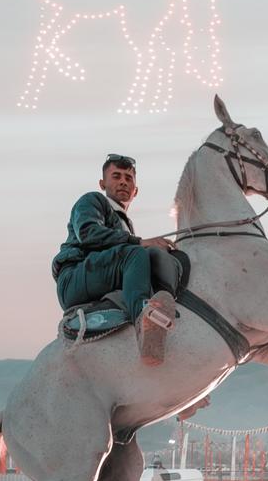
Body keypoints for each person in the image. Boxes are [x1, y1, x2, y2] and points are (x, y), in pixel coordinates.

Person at [51, 154, 177, 366]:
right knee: (136, 254)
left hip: (99, 276)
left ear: (135, 191)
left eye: (128, 178)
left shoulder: (126, 226)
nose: (123, 182)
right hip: (74, 277)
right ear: (102, 183)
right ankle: (143, 321)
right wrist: (139, 243)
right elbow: (88, 233)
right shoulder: (93, 201)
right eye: (116, 176)